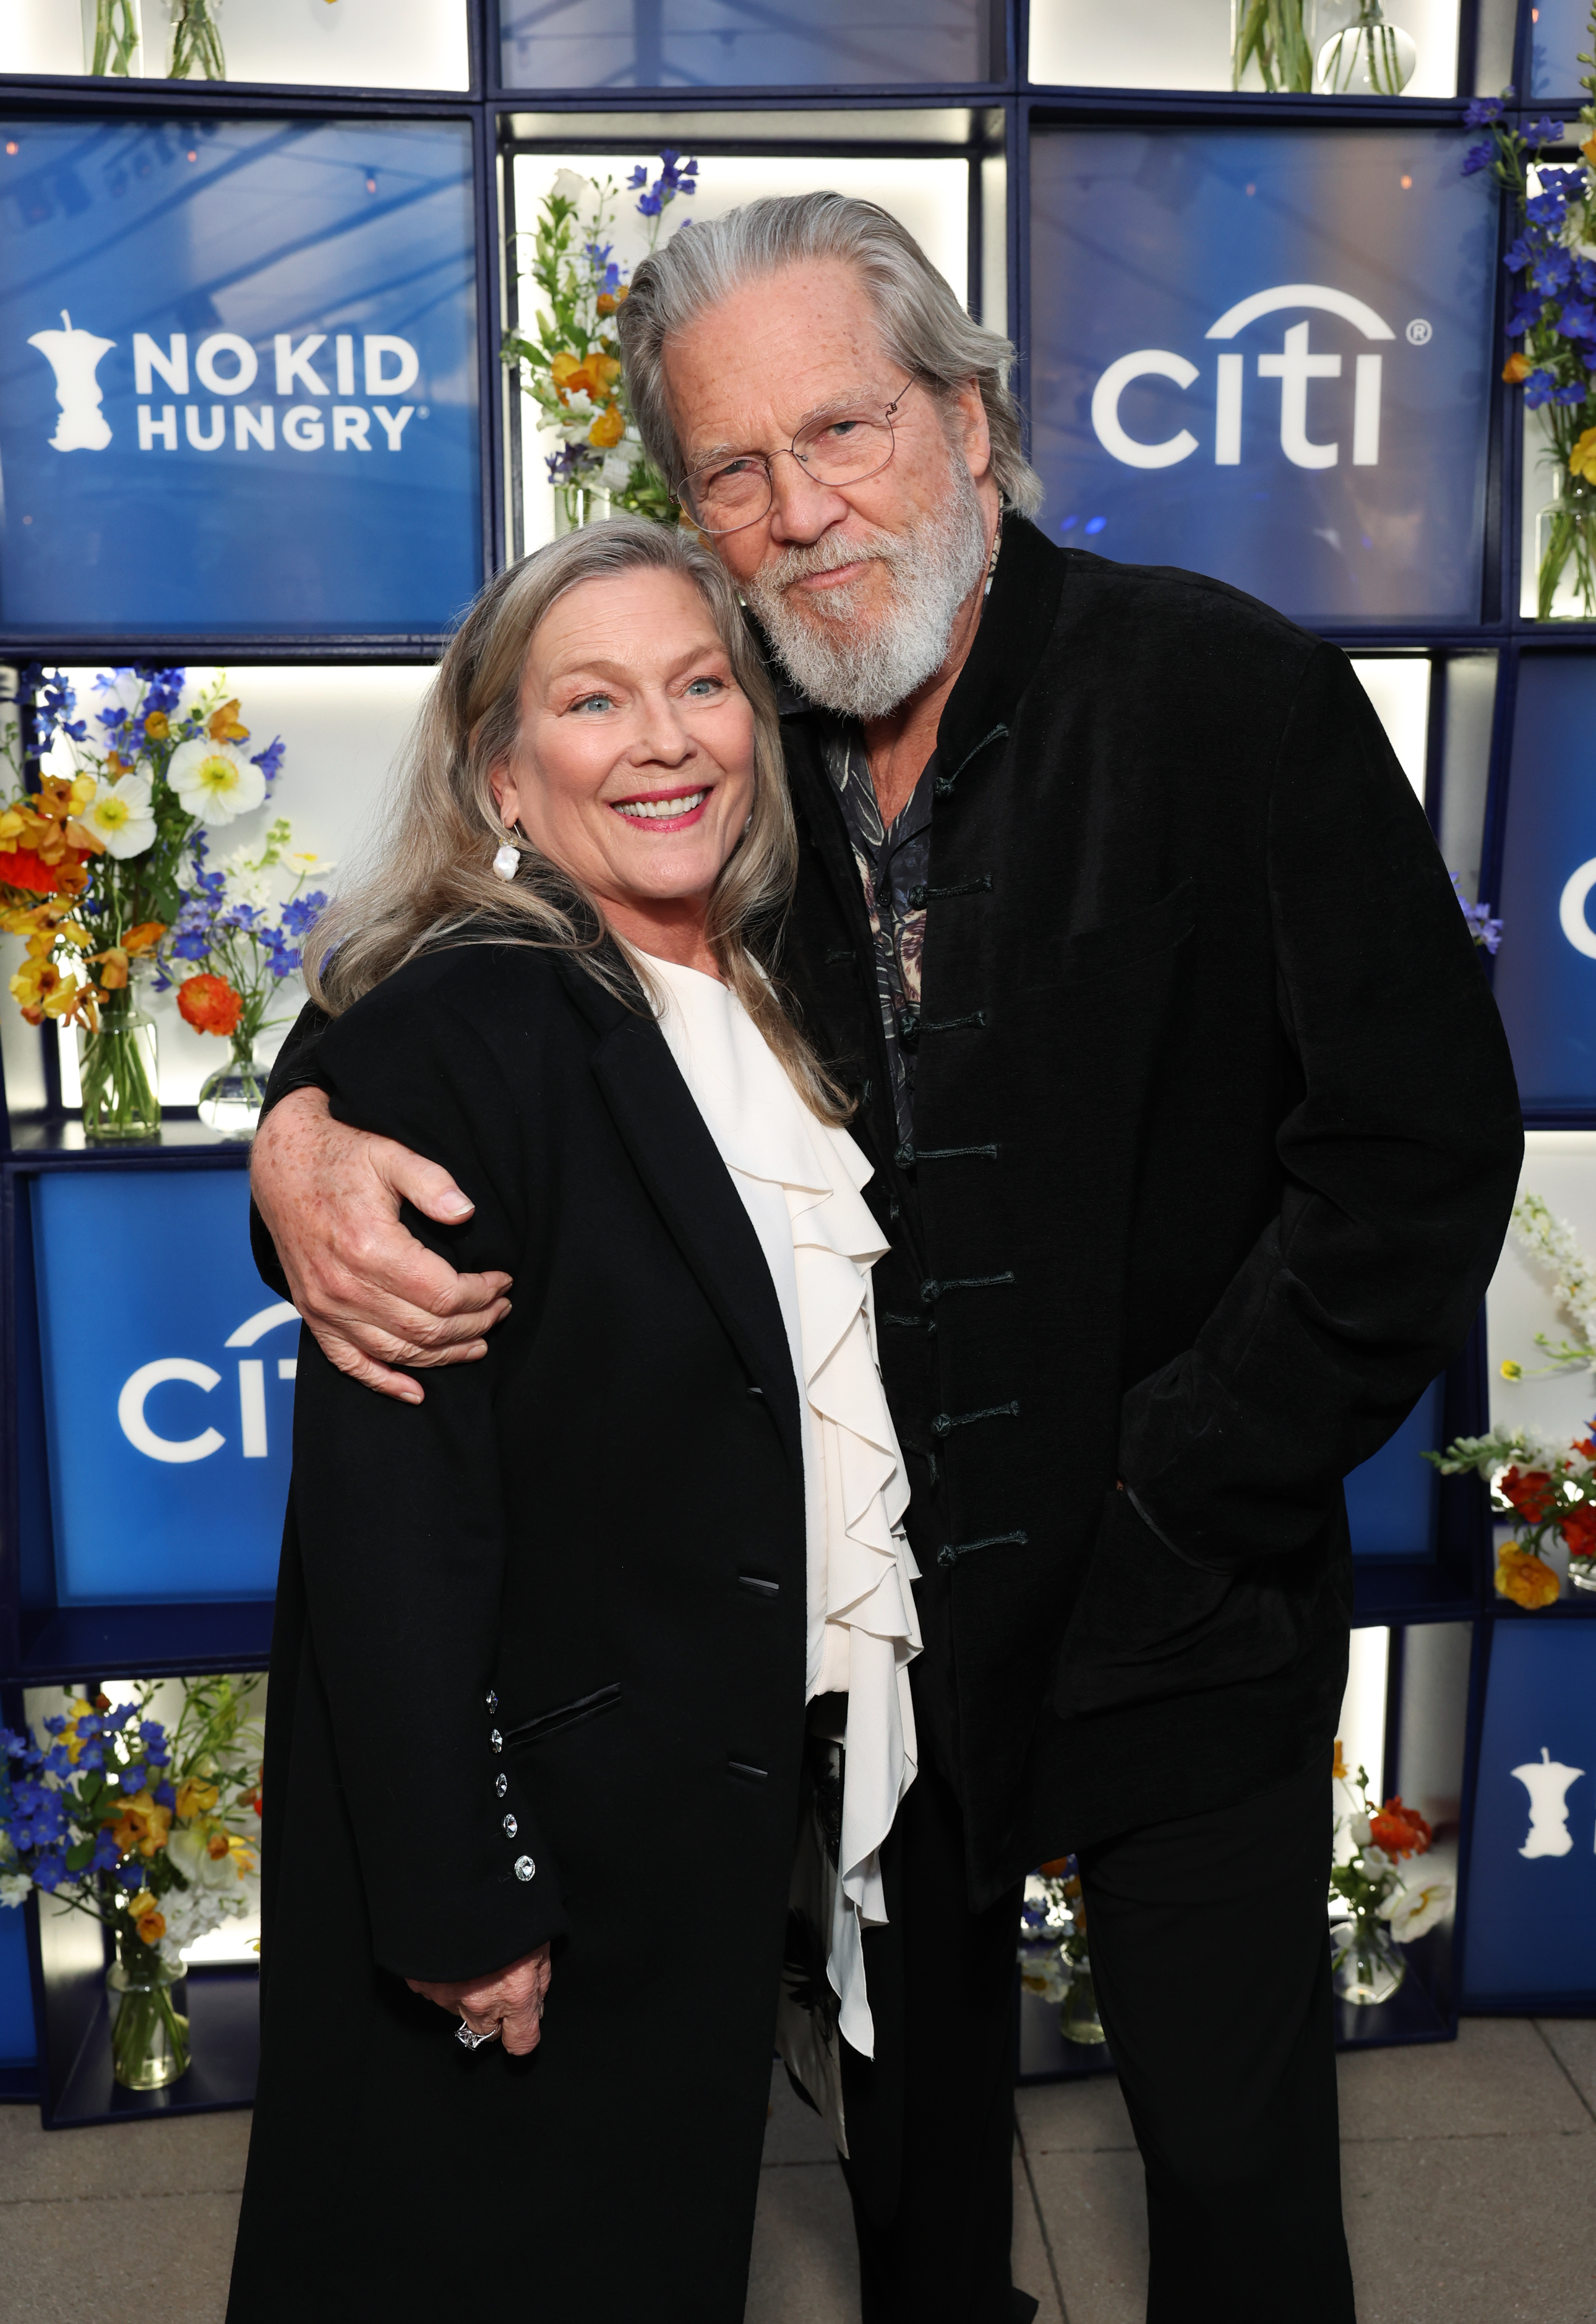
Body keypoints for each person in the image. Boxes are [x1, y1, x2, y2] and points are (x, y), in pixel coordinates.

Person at [247, 196, 1524, 2323]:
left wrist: (1173, 1498)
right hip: (873, 1664)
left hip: (1181, 1610)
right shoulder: (714, 723)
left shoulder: (1230, 698)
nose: (798, 511)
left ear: (968, 421)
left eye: (840, 431)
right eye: (731, 470)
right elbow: (468, 917)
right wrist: (294, 1129)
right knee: (916, 2194)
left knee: (1235, 2181)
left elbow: (1409, 1160)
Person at [226, 519, 923, 2320]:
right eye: (594, 700)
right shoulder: (462, 1029)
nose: (666, 738)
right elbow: (393, 1525)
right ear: (502, 771)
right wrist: (467, 1897)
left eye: (701, 684)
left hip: (690, 1820)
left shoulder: (754, 994)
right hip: (556, 1842)